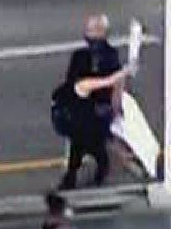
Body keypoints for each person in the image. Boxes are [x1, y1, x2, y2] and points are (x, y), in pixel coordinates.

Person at [54, 14, 130, 190]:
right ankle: (84, 178)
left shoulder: (90, 57)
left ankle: (79, 179)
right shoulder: (95, 56)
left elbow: (78, 85)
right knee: (91, 149)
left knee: (86, 148)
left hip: (90, 113)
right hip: (88, 112)